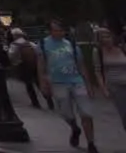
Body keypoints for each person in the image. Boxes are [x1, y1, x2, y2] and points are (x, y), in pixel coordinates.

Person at [38, 19, 99, 153]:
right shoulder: (43, 44)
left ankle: (91, 143)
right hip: (58, 83)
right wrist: (43, 83)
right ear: (50, 31)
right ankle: (74, 127)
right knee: (66, 113)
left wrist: (88, 85)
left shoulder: (71, 44)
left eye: (61, 30)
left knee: (86, 113)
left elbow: (81, 65)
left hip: (77, 81)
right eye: (55, 30)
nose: (59, 33)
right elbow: (41, 65)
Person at [92, 26, 126, 131]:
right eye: (103, 37)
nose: (106, 39)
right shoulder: (98, 52)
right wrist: (104, 89)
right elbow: (98, 71)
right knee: (124, 114)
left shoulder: (122, 48)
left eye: (108, 36)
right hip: (115, 86)